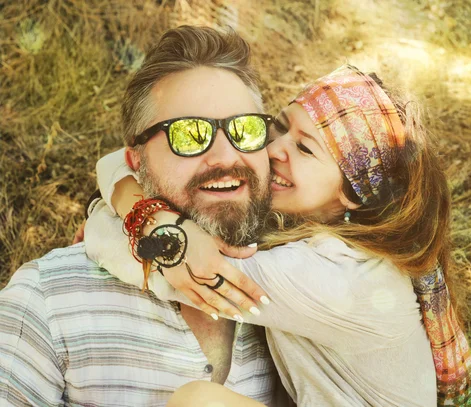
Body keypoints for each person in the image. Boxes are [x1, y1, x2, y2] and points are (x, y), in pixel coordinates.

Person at [85, 63, 471, 406]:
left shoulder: (337, 275)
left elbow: (168, 269)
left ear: (353, 193)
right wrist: (147, 212)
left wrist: (130, 215)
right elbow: (116, 160)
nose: (275, 151)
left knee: (199, 401)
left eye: (304, 149)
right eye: (280, 128)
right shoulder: (314, 234)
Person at [0, 26, 287, 406]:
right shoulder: (47, 299)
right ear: (135, 161)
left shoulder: (312, 278)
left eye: (245, 129)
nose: (225, 157)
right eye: (188, 135)